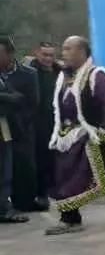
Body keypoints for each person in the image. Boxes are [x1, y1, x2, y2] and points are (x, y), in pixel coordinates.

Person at [46, 36, 105, 234]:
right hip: (68, 137)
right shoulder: (64, 77)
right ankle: (70, 218)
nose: (63, 53)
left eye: (68, 49)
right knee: (65, 176)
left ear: (82, 52)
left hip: (93, 136)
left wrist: (104, 130)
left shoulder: (97, 75)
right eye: (63, 49)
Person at [0, 37, 40, 214]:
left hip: (21, 127)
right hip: (2, 129)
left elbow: (32, 103)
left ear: (10, 54)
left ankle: (24, 202)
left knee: (24, 167)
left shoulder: (28, 74)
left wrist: (21, 122)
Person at [29, 41, 61, 210]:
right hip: (38, 123)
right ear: (37, 53)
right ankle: (41, 194)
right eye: (45, 55)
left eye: (51, 55)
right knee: (41, 159)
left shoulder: (60, 72)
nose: (48, 58)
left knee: (57, 159)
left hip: (58, 122)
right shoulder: (31, 72)